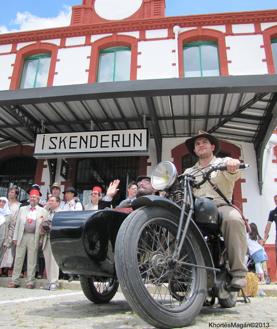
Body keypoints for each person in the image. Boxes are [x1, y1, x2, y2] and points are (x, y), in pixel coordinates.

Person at [184, 131, 248, 289]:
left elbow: (234, 171)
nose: (200, 145)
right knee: (175, 222)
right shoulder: (189, 172)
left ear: (212, 146)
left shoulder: (223, 162)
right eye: (197, 144)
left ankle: (239, 273)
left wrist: (233, 165)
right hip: (196, 209)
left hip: (220, 206)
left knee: (233, 220)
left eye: (204, 142)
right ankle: (182, 270)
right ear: (195, 150)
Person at [8, 189, 48, 289]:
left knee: (32, 259)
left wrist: (41, 239)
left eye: (35, 197)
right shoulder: (22, 209)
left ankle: (30, 281)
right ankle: (14, 280)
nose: (32, 198)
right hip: (22, 235)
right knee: (18, 258)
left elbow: (44, 226)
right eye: (31, 197)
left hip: (34, 236)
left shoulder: (43, 211)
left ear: (38, 199)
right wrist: (15, 237)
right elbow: (17, 224)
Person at [41, 195, 61, 291]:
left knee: (54, 261)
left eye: (52, 201)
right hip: (46, 238)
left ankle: (54, 282)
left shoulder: (61, 213)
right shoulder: (47, 212)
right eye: (49, 200)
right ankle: (49, 281)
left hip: (55, 239)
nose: (50, 202)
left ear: (58, 202)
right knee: (48, 261)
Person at [263, 194, 277, 267]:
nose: (276, 202)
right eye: (275, 201)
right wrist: (265, 238)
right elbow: (268, 226)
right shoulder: (273, 212)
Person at [0, 197, 11, 273]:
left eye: (3, 202)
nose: (1, 203)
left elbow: (10, 228)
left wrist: (8, 240)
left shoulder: (9, 215)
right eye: (0, 201)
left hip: (3, 238)